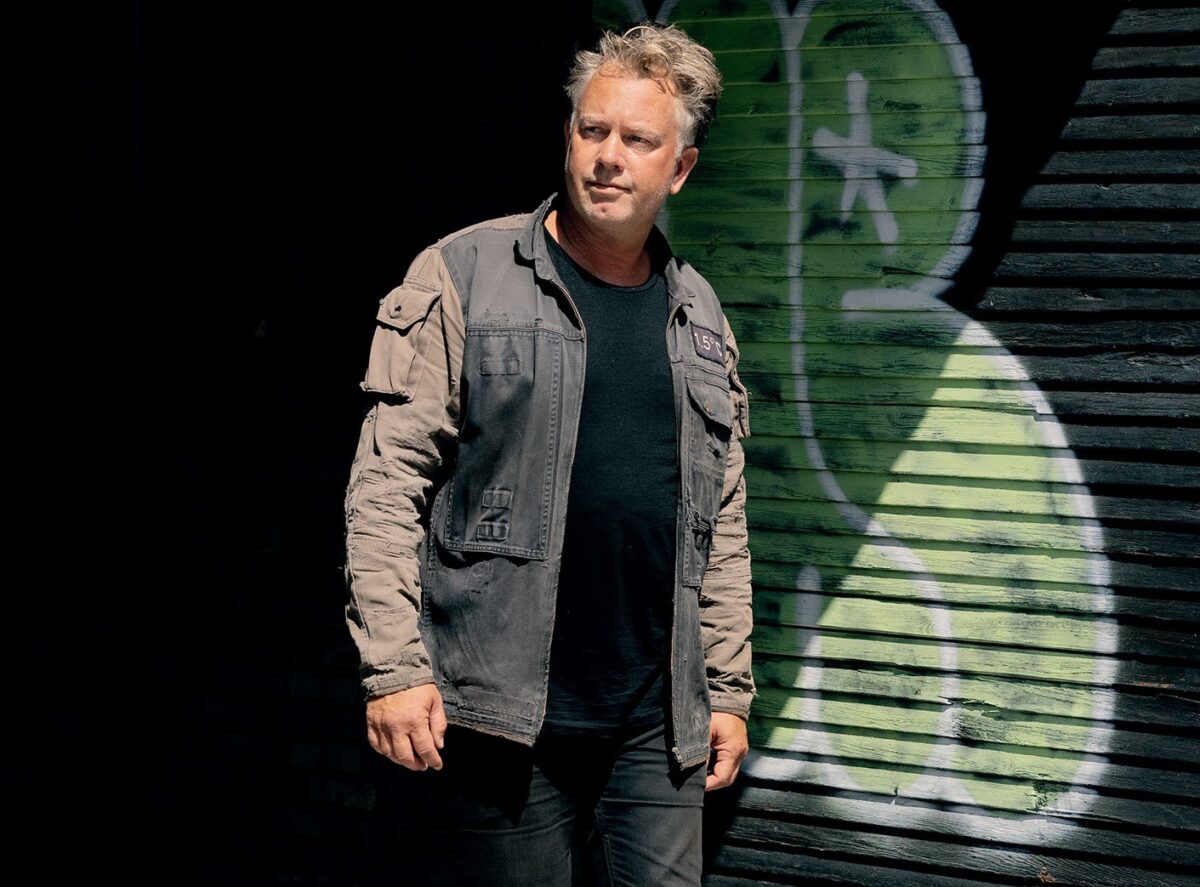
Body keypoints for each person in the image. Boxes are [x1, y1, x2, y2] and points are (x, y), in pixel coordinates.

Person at [342, 22, 754, 887]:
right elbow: (385, 486)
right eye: (592, 129)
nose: (608, 157)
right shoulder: (464, 274)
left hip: (655, 727)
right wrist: (393, 668)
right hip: (500, 719)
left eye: (638, 139)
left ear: (679, 168)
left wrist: (725, 688)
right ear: (567, 135)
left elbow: (721, 520)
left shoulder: (699, 312)